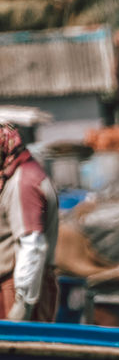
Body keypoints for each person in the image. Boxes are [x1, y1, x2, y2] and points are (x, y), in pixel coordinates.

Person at [0, 123, 59, 322]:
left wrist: (22, 303)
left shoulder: (22, 182)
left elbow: (32, 245)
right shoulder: (12, 175)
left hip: (15, 287)